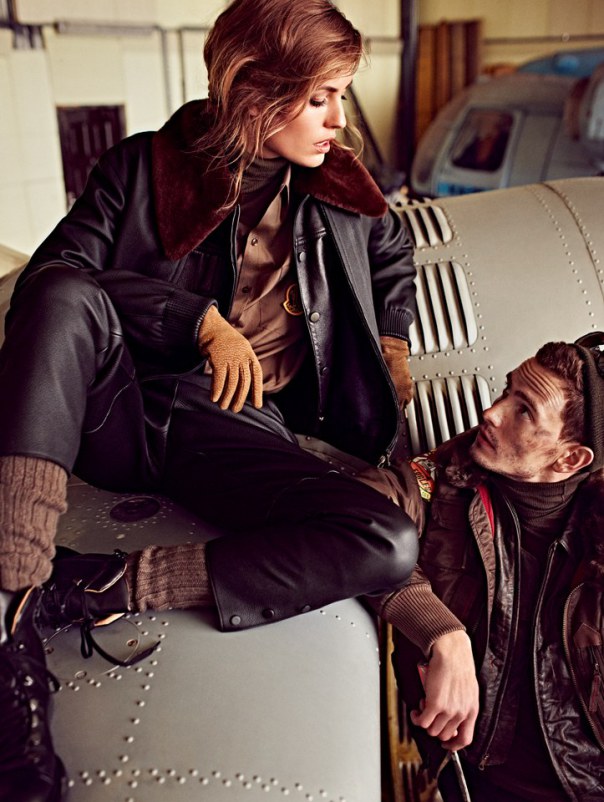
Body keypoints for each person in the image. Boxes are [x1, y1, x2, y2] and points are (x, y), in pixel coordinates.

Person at [0, 1, 419, 799]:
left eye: (340, 95)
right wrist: (197, 321)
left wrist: (392, 341)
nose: (339, 120)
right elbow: (53, 282)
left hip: (234, 433)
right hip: (122, 407)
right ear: (258, 90)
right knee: (59, 295)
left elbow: (393, 248)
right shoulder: (140, 167)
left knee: (387, 540)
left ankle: (95, 587)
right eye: (320, 97)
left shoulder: (340, 189)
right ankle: (10, 615)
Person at [368, 335, 604, 801]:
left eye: (524, 411)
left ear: (571, 458)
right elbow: (352, 516)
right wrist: (442, 634)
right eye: (507, 392)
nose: (491, 413)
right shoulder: (450, 479)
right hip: (477, 779)